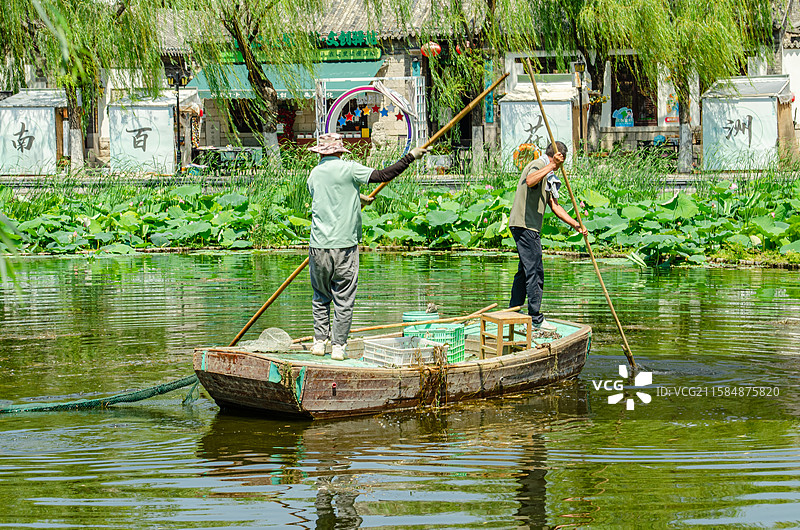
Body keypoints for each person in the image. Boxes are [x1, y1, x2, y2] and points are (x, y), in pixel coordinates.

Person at [307, 133, 427, 360]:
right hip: (345, 245)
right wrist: (410, 157)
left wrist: (356, 197)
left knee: (320, 295)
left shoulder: (313, 174)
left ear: (321, 153)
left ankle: (319, 342)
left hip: (318, 246)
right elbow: (384, 175)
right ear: (340, 152)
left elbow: (326, 198)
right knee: (343, 297)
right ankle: (339, 347)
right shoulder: (349, 169)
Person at [509, 141, 587, 331]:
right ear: (557, 157)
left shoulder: (548, 173)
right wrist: (552, 165)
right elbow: (530, 180)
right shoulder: (539, 165)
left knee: (525, 270)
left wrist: (576, 224)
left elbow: (555, 205)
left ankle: (514, 310)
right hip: (525, 225)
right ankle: (535, 318)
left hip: (527, 226)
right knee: (535, 270)